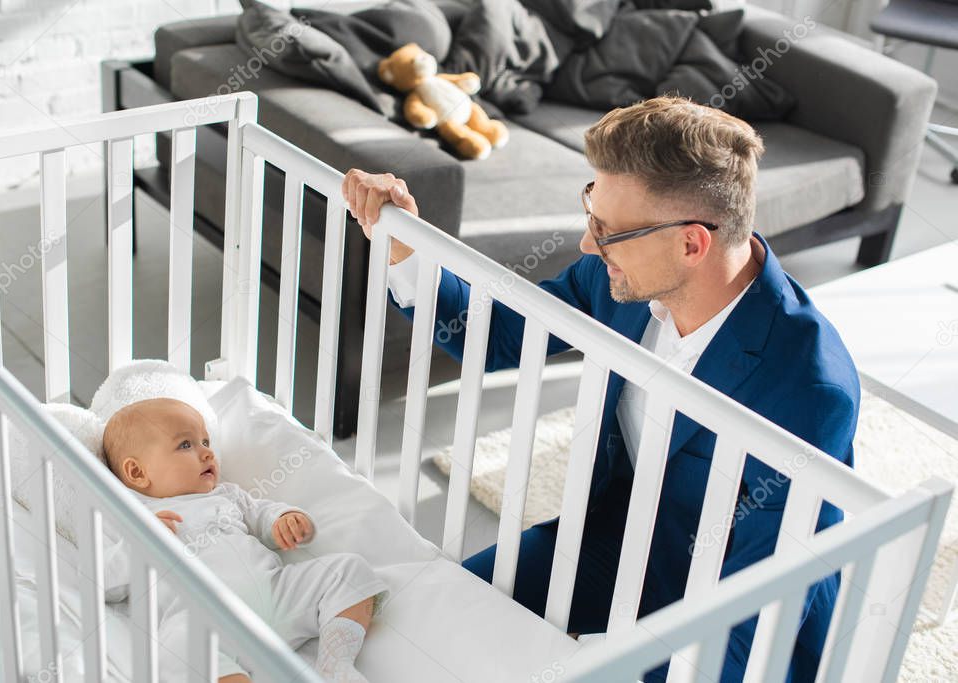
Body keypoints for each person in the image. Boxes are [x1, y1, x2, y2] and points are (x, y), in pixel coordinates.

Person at [340, 96, 860, 682]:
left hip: (724, 605)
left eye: (608, 231)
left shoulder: (811, 387)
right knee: (434, 612)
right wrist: (407, 242)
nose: (589, 245)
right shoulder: (620, 274)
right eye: (592, 213)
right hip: (615, 540)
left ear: (692, 243)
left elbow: (761, 609)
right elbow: (495, 335)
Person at [101, 397, 388, 683]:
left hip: (275, 593)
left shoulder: (227, 494)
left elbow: (261, 513)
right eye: (185, 445)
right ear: (137, 472)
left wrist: (283, 520)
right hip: (206, 619)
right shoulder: (136, 520)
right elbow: (104, 583)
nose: (206, 453)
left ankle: (335, 665)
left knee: (349, 571)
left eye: (205, 442)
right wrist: (139, 545)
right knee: (178, 649)